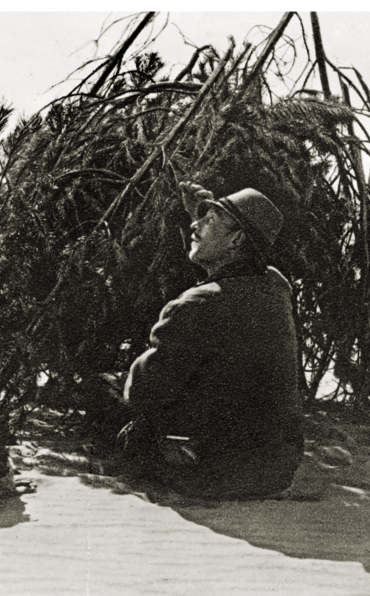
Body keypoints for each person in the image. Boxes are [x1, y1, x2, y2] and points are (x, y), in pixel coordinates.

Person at [119, 182, 303, 499]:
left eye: (210, 221)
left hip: (215, 475)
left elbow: (140, 393)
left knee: (110, 397)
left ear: (237, 239)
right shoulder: (276, 285)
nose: (194, 224)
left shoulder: (195, 306)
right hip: (276, 471)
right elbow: (226, 285)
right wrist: (209, 218)